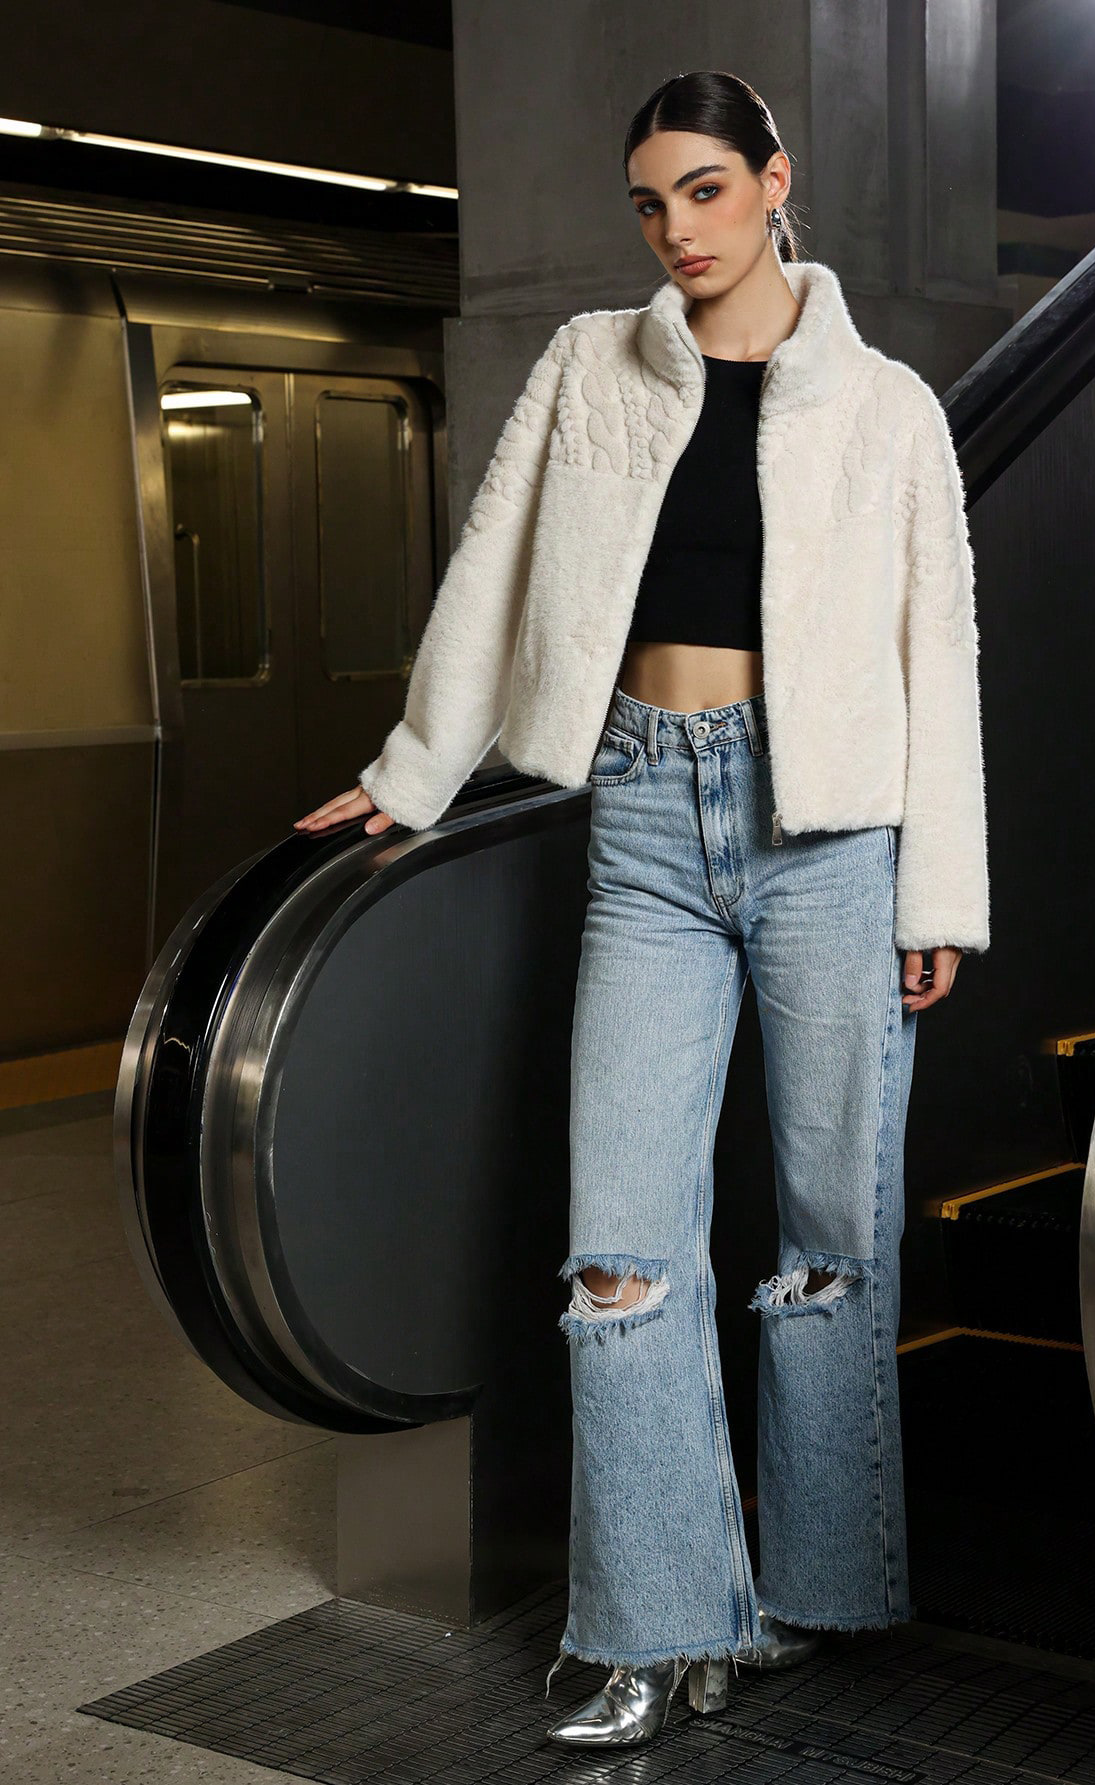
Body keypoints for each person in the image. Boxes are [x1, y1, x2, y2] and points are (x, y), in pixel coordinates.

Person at [295, 69, 990, 1751]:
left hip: (833, 833)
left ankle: (811, 1592)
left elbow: (940, 651)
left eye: (705, 189)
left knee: (830, 1237)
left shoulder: (888, 405)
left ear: (774, 181)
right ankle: (653, 1622)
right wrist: (411, 769)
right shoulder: (585, 366)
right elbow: (493, 568)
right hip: (645, 823)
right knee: (618, 1246)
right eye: (651, 203)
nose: (677, 229)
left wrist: (942, 891)